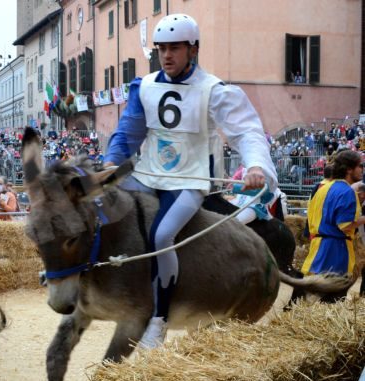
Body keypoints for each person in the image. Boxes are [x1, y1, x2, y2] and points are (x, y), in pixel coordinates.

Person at [103, 14, 277, 349]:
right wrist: (111, 162)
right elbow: (128, 133)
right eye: (161, 49)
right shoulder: (146, 86)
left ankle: (158, 319)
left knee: (162, 234)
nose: (166, 55)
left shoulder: (215, 90)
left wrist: (256, 165)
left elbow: (247, 132)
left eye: (174, 48)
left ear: (193, 49)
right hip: (147, 176)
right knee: (96, 203)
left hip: (189, 180)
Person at [302, 150, 365, 303]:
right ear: (349, 169)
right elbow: (344, 225)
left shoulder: (323, 188)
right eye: (359, 166)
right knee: (333, 299)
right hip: (335, 250)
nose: (362, 169)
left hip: (319, 246)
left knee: (314, 299)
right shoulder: (346, 191)